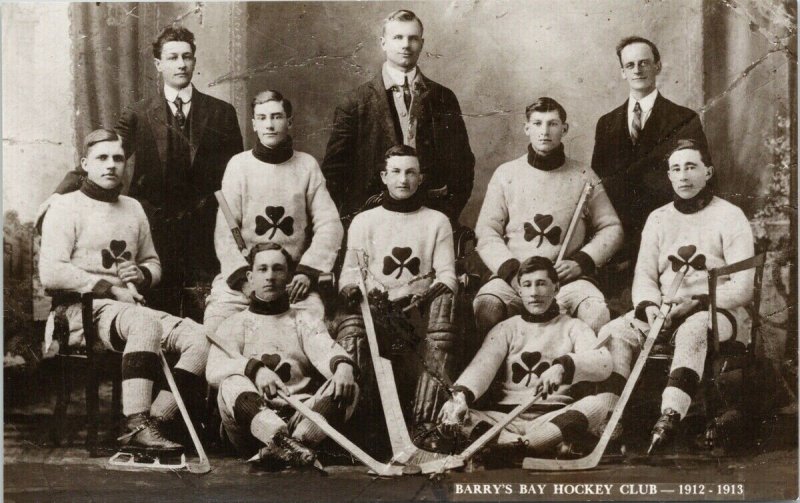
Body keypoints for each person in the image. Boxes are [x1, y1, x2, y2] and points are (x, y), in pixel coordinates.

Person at [41, 25, 243, 315]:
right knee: (156, 313)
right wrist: (61, 192)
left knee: (205, 313)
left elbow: (237, 176)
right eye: (172, 57)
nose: (181, 64)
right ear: (158, 64)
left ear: (195, 61)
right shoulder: (138, 113)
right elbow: (106, 152)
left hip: (204, 231)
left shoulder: (221, 113)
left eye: (187, 57)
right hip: (153, 230)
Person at [39, 129, 211, 455]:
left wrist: (142, 274)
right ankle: (136, 422)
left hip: (127, 311)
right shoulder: (65, 206)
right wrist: (109, 288)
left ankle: (155, 421)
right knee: (144, 323)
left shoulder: (133, 208)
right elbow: (52, 271)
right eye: (102, 158)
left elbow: (153, 262)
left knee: (200, 339)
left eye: (118, 158)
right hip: (79, 311)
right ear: (85, 164)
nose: (111, 165)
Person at [594, 139, 754, 452]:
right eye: (676, 169)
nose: (683, 176)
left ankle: (670, 416)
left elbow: (743, 286)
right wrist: (650, 308)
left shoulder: (730, 216)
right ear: (669, 176)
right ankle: (611, 418)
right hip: (665, 310)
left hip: (718, 310)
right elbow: (645, 276)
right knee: (613, 331)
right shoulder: (658, 218)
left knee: (694, 329)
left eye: (691, 167)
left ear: (708, 172)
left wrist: (698, 299)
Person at [473, 97, 623, 341]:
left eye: (552, 124)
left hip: (566, 279)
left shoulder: (584, 175)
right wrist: (512, 272)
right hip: (516, 278)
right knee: (487, 307)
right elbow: (486, 231)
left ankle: (580, 374)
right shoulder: (506, 174)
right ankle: (497, 377)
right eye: (538, 123)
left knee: (596, 313)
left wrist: (582, 262)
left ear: (564, 129)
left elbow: (612, 228)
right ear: (527, 128)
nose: (544, 131)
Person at [437, 256, 612, 458]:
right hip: (505, 419)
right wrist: (461, 396)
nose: (534, 293)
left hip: (552, 417)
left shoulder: (574, 327)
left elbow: (603, 362)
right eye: (527, 285)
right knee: (458, 414)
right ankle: (530, 445)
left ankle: (513, 448)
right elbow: (481, 368)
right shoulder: (506, 328)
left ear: (556, 288)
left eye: (541, 284)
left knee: (600, 404)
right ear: (519, 291)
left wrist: (562, 367)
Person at [337, 145, 459, 430]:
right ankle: (350, 423)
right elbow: (349, 275)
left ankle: (426, 424)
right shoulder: (364, 221)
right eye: (396, 172)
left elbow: (447, 276)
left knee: (445, 309)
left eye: (410, 172)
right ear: (383, 176)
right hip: (376, 311)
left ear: (420, 178)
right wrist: (352, 290)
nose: (403, 180)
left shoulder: (436, 221)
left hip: (419, 313)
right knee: (352, 328)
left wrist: (422, 297)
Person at [204, 90, 342, 335]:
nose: (270, 124)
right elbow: (225, 233)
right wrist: (244, 282)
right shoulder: (239, 165)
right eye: (263, 118)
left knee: (311, 332)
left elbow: (329, 224)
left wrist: (307, 273)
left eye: (277, 117)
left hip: (292, 280)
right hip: (247, 277)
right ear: (254, 124)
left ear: (289, 122)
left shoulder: (307, 165)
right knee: (217, 328)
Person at [206, 243, 358, 466]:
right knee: (231, 382)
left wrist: (343, 367)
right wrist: (254, 370)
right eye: (263, 269)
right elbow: (213, 371)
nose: (270, 277)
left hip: (300, 418)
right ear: (250, 277)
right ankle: (282, 441)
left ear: (288, 276)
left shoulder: (303, 319)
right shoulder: (233, 323)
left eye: (278, 269)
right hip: (252, 427)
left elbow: (326, 350)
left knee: (347, 383)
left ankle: (292, 445)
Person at [322, 9, 474, 225]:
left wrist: (445, 214)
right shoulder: (355, 102)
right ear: (383, 43)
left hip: (431, 218)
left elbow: (463, 165)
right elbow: (334, 173)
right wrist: (357, 219)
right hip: (371, 220)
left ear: (421, 43)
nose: (405, 45)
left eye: (412, 38)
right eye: (398, 37)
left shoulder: (443, 98)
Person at [591, 36, 709, 278]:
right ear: (622, 72)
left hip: (668, 233)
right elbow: (598, 185)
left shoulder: (683, 119)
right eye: (630, 65)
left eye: (644, 63)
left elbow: (699, 179)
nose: (638, 70)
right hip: (619, 240)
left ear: (658, 66)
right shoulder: (606, 123)